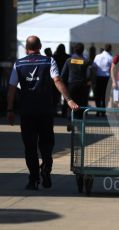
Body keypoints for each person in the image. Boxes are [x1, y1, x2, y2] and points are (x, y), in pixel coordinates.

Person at [7, 35, 79, 190]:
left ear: (27, 48)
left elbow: (12, 88)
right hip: (45, 110)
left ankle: (33, 179)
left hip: (27, 111)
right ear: (39, 47)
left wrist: (10, 109)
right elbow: (57, 80)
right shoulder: (49, 61)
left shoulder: (18, 64)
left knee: (30, 146)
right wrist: (69, 100)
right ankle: (46, 169)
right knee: (46, 144)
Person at [61, 43, 91, 131]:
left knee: (70, 103)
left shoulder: (69, 60)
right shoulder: (86, 61)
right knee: (81, 105)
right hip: (82, 86)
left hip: (71, 85)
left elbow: (63, 75)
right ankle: (80, 124)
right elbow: (88, 75)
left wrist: (65, 85)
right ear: (82, 50)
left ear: (74, 50)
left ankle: (70, 122)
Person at [93, 44, 113, 116]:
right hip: (107, 78)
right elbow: (112, 69)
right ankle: (103, 111)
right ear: (110, 49)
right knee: (105, 95)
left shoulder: (97, 56)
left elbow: (94, 67)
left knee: (97, 95)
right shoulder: (111, 57)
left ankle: (98, 110)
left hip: (98, 77)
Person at [53, 44, 71, 117]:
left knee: (55, 97)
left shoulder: (54, 57)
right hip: (66, 78)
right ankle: (64, 113)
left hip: (55, 78)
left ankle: (54, 112)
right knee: (66, 96)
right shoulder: (68, 57)